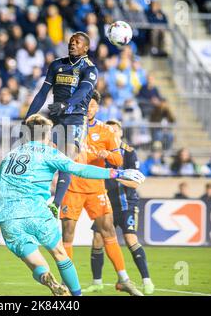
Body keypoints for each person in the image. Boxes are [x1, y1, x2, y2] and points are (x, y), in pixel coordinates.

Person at [0, 114, 145, 296]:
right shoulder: (49, 153)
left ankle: (47, 278)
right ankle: (76, 296)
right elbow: (80, 169)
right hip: (38, 214)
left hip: (9, 217)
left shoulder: (10, 155)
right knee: (60, 254)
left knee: (36, 263)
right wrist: (116, 173)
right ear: (47, 135)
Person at [61, 92, 143, 296]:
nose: (89, 108)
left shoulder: (106, 131)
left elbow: (118, 161)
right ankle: (68, 285)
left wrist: (108, 155)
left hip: (96, 188)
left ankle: (123, 279)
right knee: (67, 235)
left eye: (93, 105)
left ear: (98, 108)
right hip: (72, 187)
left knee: (109, 232)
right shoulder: (68, 128)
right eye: (86, 104)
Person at [24, 31, 99, 216]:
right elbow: (42, 93)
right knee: (41, 156)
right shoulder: (57, 65)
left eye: (77, 42)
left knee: (66, 159)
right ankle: (34, 196)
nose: (72, 44)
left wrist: (66, 104)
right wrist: (28, 117)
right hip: (56, 118)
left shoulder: (90, 69)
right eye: (71, 41)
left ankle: (56, 204)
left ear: (86, 48)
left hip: (75, 119)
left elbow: (83, 91)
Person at [84, 119, 154, 295]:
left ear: (121, 133)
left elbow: (135, 182)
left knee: (130, 239)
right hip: (105, 202)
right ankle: (97, 283)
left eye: (115, 131)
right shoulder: (100, 151)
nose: (112, 134)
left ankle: (147, 280)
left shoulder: (129, 153)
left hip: (126, 203)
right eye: (109, 131)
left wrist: (114, 176)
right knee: (97, 239)